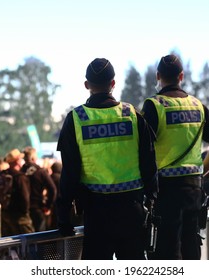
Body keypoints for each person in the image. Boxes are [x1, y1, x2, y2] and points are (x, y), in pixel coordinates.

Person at [57, 58, 158, 260]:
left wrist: (64, 216)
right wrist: (153, 200)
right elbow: (149, 164)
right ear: (113, 83)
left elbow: (69, 173)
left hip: (96, 214)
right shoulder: (132, 115)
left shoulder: (76, 119)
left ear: (87, 85)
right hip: (132, 210)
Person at [141, 54, 209, 260]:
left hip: (164, 190)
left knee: (165, 252)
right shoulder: (197, 106)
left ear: (158, 76)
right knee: (190, 248)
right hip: (193, 190)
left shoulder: (154, 105)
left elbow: (143, 149)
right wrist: (201, 172)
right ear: (181, 76)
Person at [0, 149, 34, 237]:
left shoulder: (3, 174)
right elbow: (25, 197)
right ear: (17, 161)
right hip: (20, 216)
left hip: (6, 214)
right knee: (30, 241)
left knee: (10, 243)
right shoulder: (20, 177)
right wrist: (25, 211)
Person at [21, 146, 57, 232]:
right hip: (38, 208)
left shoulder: (20, 173)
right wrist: (48, 206)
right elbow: (53, 189)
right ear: (34, 157)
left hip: (23, 210)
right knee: (39, 239)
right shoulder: (40, 172)